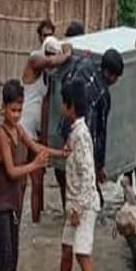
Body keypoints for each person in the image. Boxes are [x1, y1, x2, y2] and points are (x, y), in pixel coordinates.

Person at [0, 80, 65, 271]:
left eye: (20, 110)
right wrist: (35, 165)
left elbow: (36, 147)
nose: (16, 114)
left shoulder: (18, 130)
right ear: (3, 108)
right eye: (12, 110)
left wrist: (60, 153)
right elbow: (11, 171)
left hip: (14, 206)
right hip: (2, 207)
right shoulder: (1, 135)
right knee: (2, 268)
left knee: (10, 264)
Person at [53, 48, 124, 210]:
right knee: (85, 181)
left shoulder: (84, 63)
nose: (116, 80)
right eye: (116, 77)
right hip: (84, 139)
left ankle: (70, 211)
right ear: (109, 74)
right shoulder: (103, 94)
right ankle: (79, 211)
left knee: (68, 177)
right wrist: (99, 165)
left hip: (66, 131)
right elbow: (100, 132)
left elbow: (65, 79)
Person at [21, 36, 72, 223]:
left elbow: (45, 107)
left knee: (37, 181)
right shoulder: (35, 60)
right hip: (22, 130)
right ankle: (17, 219)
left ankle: (35, 223)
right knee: (20, 182)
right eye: (48, 54)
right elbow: (52, 60)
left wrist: (43, 138)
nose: (51, 60)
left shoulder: (48, 77)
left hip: (35, 135)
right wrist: (66, 53)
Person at [59, 80, 101, 271]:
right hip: (75, 204)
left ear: (70, 106)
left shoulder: (81, 134)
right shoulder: (76, 132)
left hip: (83, 205)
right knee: (67, 248)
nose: (61, 108)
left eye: (63, 104)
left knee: (82, 253)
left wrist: (78, 209)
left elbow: (87, 175)